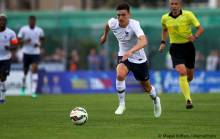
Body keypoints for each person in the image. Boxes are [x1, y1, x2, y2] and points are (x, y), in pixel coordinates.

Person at [100, 3, 161, 117]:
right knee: (120, 74)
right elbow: (107, 25)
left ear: (129, 14)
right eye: (118, 15)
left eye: (123, 15)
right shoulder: (113, 22)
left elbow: (144, 41)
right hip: (124, 56)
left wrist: (131, 51)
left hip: (139, 58)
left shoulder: (134, 25)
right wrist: (104, 36)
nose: (121, 18)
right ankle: (122, 104)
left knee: (146, 86)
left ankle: (155, 99)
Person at [159, 0, 204, 109]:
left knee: (190, 76)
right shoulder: (165, 18)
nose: (174, 6)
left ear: (180, 5)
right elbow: (165, 30)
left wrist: (195, 36)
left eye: (176, 4)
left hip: (188, 47)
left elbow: (200, 29)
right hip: (175, 48)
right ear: (169, 5)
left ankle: (185, 85)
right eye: (172, 4)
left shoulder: (188, 15)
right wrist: (163, 42)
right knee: (182, 72)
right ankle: (188, 100)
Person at [18, 15, 45, 98]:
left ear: (35, 22)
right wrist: (25, 41)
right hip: (26, 52)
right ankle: (23, 87)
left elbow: (42, 39)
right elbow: (18, 40)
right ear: (28, 21)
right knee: (25, 72)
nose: (31, 22)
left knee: (34, 69)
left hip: (35, 53)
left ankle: (33, 91)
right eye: (30, 21)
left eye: (33, 21)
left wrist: (39, 44)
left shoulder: (39, 30)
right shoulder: (23, 29)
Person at [0, 13, 18, 103]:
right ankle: (2, 97)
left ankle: (2, 97)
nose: (2, 22)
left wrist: (10, 48)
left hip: (6, 58)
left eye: (4, 20)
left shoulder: (11, 33)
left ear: (6, 22)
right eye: (0, 20)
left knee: (3, 77)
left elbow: (15, 45)